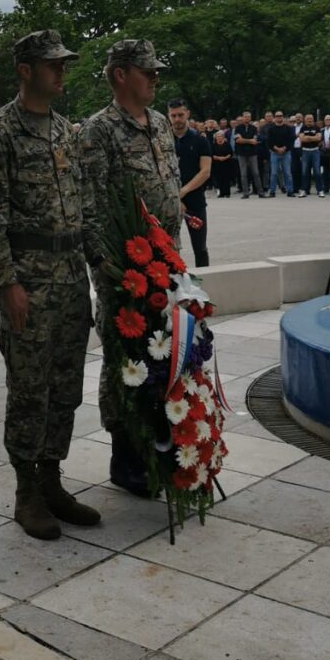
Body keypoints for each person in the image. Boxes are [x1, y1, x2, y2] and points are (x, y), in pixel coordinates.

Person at [0, 31, 99, 539]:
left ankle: (52, 480)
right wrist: (5, 284)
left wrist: (100, 265)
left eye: (63, 63)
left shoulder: (67, 131)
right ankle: (27, 493)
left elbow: (83, 205)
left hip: (70, 279)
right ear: (25, 69)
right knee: (29, 389)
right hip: (29, 281)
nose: (61, 72)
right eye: (52, 64)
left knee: (65, 387)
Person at [80, 38, 181, 497]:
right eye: (147, 71)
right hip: (126, 269)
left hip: (167, 261)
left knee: (167, 351)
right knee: (127, 358)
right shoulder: (98, 131)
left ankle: (163, 444)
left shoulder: (159, 124)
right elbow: (92, 205)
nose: (155, 78)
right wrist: (107, 266)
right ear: (120, 75)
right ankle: (127, 456)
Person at [167, 100, 211, 267]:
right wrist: (175, 198)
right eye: (173, 115)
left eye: (180, 115)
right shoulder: (162, 141)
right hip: (169, 200)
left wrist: (183, 192)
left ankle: (205, 282)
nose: (177, 119)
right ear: (168, 116)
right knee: (168, 248)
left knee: (200, 247)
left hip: (195, 200)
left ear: (187, 114)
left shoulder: (200, 140)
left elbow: (205, 171)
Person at [234, 111, 266, 199]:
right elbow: (238, 140)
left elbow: (254, 141)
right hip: (241, 153)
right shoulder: (238, 128)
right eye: (245, 117)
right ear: (242, 118)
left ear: (250, 118)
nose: (247, 118)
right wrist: (249, 141)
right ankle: (246, 193)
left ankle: (261, 192)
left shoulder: (254, 128)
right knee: (243, 174)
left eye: (248, 117)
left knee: (256, 173)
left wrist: (245, 140)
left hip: (252, 153)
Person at [266, 111, 295, 197]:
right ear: (275, 117)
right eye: (277, 116)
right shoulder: (271, 129)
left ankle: (290, 191)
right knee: (274, 173)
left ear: (283, 117)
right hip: (274, 153)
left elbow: (291, 140)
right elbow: (269, 141)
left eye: (280, 116)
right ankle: (272, 191)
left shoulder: (288, 128)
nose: (279, 117)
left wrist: (284, 148)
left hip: (286, 153)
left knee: (287, 173)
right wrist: (276, 148)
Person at [299, 113, 324, 197]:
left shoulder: (317, 128)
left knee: (317, 172)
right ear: (305, 119)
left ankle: (320, 190)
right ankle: (304, 190)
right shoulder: (303, 128)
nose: (309, 120)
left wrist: (308, 137)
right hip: (305, 151)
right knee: (304, 172)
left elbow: (319, 138)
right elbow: (302, 139)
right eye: (308, 118)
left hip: (315, 151)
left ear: (313, 119)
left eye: (311, 118)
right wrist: (313, 138)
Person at [211, 129, 233, 197]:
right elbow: (212, 154)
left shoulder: (227, 144)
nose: (219, 137)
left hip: (226, 163)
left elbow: (230, 153)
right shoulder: (213, 145)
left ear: (223, 137)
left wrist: (225, 158)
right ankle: (221, 193)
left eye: (221, 136)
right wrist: (218, 158)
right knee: (219, 178)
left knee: (226, 178)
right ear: (216, 137)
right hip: (217, 164)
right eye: (218, 136)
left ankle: (227, 193)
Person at [321, 114, 330, 194]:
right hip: (324, 152)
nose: (327, 121)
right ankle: (326, 187)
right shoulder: (322, 130)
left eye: (329, 119)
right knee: (325, 170)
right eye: (326, 119)